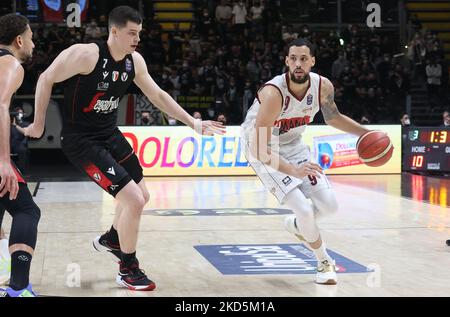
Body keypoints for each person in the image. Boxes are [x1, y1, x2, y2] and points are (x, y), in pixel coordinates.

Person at [25, 6, 224, 291]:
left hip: (109, 134)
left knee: (142, 194)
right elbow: (46, 78)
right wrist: (38, 124)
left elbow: (157, 94)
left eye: (139, 34)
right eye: (132, 33)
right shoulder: (86, 54)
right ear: (114, 31)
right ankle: (128, 268)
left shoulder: (134, 61)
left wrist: (192, 123)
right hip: (81, 140)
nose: (137, 39)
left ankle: (111, 239)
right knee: (134, 200)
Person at [241, 38, 371, 285]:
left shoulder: (323, 86)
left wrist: (366, 134)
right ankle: (323, 261)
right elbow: (259, 148)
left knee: (330, 206)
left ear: (312, 61)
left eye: (303, 59)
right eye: (293, 58)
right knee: (302, 207)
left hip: (294, 144)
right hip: (263, 147)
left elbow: (333, 118)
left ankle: (299, 226)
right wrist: (293, 170)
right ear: (286, 61)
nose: (298, 64)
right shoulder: (273, 93)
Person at [0, 13, 40, 297]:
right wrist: (3, 160)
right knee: (27, 210)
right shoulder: (11, 63)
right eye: (31, 37)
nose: (34, 44)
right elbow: (0, 106)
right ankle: (18, 288)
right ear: (18, 40)